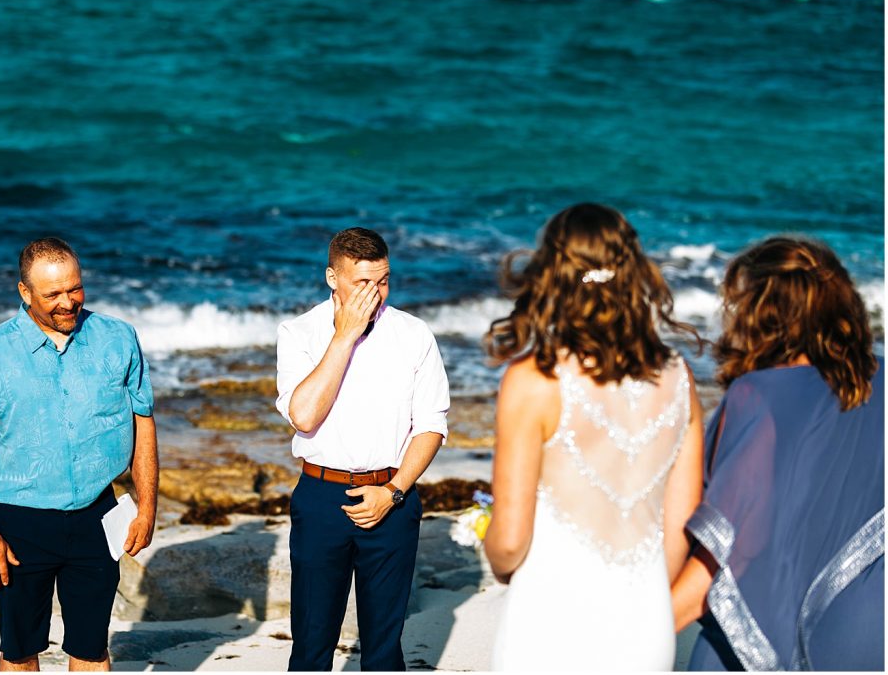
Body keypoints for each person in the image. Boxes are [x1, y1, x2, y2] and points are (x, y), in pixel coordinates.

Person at [482, 203, 705, 670]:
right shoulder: (679, 378)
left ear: (550, 275)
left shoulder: (534, 379)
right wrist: (639, 601)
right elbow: (680, 528)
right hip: (646, 621)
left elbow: (509, 541)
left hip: (550, 613)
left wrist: (502, 566)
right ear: (633, 273)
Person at [0, 237, 158, 672]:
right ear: (24, 293)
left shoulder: (118, 339)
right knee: (19, 653)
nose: (67, 302)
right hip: (20, 523)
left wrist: (147, 506)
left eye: (74, 289)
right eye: (52, 294)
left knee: (92, 650)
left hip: (99, 516)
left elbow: (143, 423)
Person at [671, 236, 884, 670]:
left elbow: (729, 552)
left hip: (763, 645)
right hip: (868, 636)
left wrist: (630, 631)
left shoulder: (758, 398)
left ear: (760, 316)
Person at [275, 227, 450, 671]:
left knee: (384, 648)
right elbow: (305, 416)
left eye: (383, 281)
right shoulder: (299, 333)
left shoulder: (413, 334)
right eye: (362, 283)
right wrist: (343, 337)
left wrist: (393, 492)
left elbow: (430, 426)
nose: (374, 293)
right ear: (332, 278)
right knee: (312, 643)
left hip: (392, 496)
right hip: (320, 498)